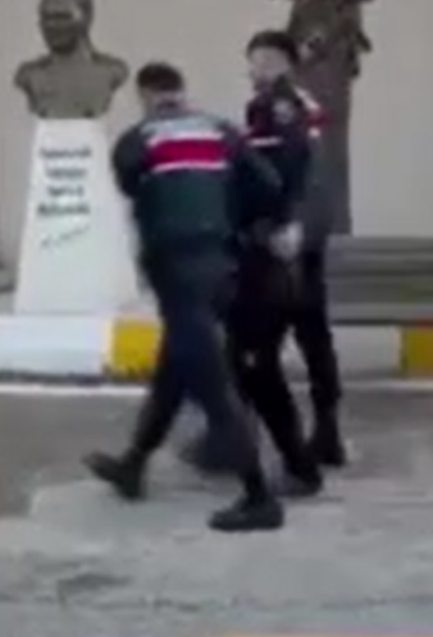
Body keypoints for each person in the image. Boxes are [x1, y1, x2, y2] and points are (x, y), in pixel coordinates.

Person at [84, 62, 287, 533]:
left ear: (146, 96)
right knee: (174, 371)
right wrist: (229, 216)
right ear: (182, 91)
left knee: (213, 386)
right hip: (222, 265)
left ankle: (259, 497)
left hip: (176, 268)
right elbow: (268, 186)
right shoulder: (223, 131)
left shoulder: (139, 139)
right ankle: (133, 464)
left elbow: (129, 183)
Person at [185, 30, 348, 473]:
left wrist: (277, 224)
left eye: (258, 60)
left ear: (279, 62)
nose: (251, 69)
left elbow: (280, 171)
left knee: (250, 346)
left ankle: (238, 442)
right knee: (311, 337)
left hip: (280, 242)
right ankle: (325, 434)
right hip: (304, 239)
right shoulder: (302, 102)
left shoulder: (275, 106)